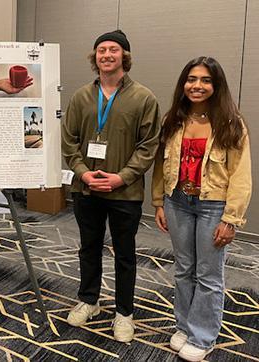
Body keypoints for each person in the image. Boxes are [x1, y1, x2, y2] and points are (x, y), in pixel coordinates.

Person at [61, 29, 161, 343]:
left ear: (124, 57)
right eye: (101, 50)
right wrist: (82, 173)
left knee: (125, 253)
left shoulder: (143, 97)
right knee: (88, 248)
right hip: (87, 189)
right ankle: (89, 300)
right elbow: (69, 142)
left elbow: (149, 145)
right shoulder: (80, 97)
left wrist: (122, 177)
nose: (106, 55)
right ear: (95, 57)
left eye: (113, 50)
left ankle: (124, 313)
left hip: (124, 192)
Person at [151, 57, 251, 361]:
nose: (197, 85)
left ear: (216, 85)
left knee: (208, 274)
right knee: (184, 269)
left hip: (213, 206)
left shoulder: (231, 123)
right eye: (192, 79)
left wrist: (231, 218)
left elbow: (241, 175)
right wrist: (158, 202)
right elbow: (160, 164)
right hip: (177, 202)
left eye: (206, 80)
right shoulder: (174, 119)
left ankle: (202, 335)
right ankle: (184, 325)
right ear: (184, 83)